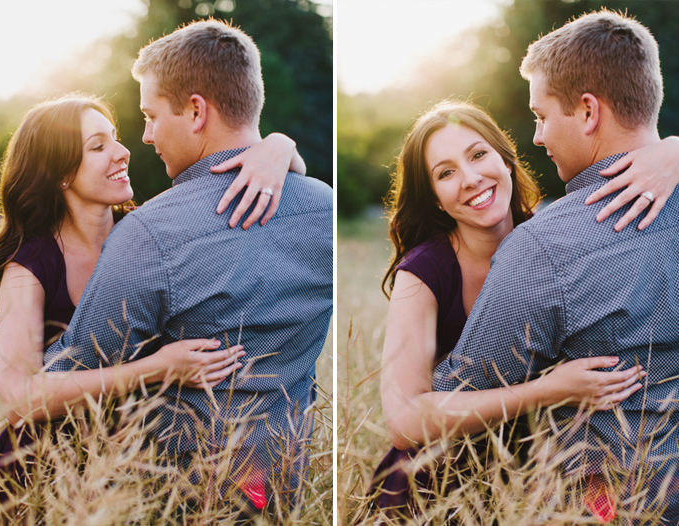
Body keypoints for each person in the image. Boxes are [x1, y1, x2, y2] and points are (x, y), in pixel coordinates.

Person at [42, 18, 333, 514]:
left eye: (151, 116)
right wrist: (284, 147)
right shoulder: (323, 208)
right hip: (282, 488)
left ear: (196, 111)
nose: (148, 136)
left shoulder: (152, 233)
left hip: (177, 495)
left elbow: (71, 376)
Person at [0, 94, 306, 516]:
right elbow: (18, 397)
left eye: (114, 138)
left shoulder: (148, 234)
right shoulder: (30, 265)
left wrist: (280, 145)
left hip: (139, 469)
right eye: (98, 146)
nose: (122, 151)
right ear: (60, 174)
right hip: (45, 474)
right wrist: (155, 369)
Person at [427, 10, 679, 521]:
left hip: (606, 506)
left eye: (541, 116)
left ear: (588, 112)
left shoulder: (542, 246)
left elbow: (457, 399)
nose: (537, 136)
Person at [374, 99, 669, 520]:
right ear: (436, 199)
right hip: (439, 487)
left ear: (506, 160)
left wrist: (671, 149)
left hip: (539, 483)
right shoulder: (422, 274)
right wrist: (545, 392)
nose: (471, 178)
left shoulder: (556, 240)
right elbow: (403, 422)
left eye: (478, 155)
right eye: (446, 173)